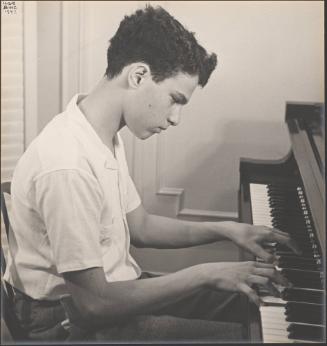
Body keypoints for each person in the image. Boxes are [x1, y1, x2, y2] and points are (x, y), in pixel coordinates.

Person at [4, 5, 301, 343]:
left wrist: (227, 230)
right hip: (68, 319)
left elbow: (140, 226)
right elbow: (93, 305)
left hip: (115, 288)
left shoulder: (98, 132)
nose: (176, 118)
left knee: (253, 301)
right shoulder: (67, 163)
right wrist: (205, 273)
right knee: (244, 336)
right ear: (138, 75)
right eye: (175, 100)